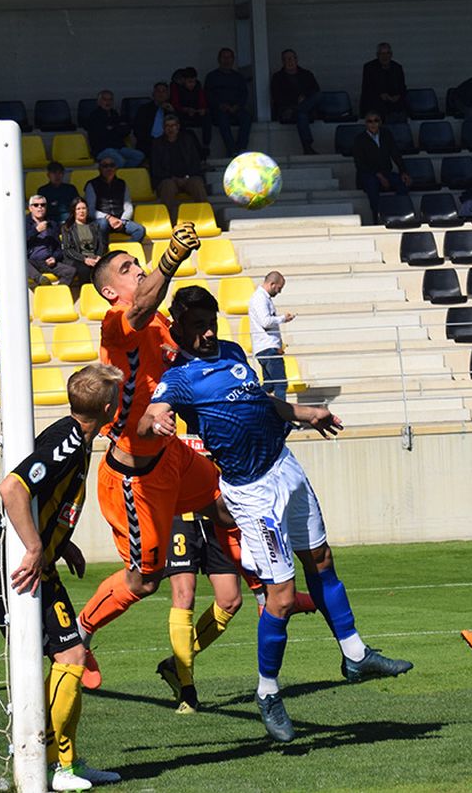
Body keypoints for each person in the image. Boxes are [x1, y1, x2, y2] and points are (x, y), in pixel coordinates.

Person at [144, 287, 411, 741]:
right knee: (281, 599)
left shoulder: (231, 352)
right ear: (178, 329)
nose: (208, 333)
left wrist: (306, 413)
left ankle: (355, 653)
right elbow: (155, 409)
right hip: (251, 493)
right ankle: (268, 692)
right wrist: (158, 420)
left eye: (211, 322)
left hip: (285, 467)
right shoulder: (180, 377)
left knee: (321, 559)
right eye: (197, 326)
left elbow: (259, 401)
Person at [72, 223, 218, 690]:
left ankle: (260, 589)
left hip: (171, 453)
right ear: (110, 289)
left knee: (224, 498)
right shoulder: (117, 323)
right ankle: (79, 631)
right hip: (136, 479)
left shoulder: (157, 322)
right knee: (143, 581)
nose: (137, 270)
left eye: (138, 263)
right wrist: (170, 257)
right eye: (127, 267)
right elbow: (142, 304)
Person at [0, 365, 124, 791]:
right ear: (109, 407)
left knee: (70, 658)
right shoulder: (69, 441)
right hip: (12, 566)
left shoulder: (75, 436)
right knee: (69, 659)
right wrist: (36, 546)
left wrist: (59, 540)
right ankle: (54, 763)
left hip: (30, 562)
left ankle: (55, 758)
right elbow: (12, 489)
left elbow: (43, 497)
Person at [153, 509, 247, 714]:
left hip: (218, 515)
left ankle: (175, 664)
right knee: (184, 596)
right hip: (179, 517)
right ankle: (188, 692)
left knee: (230, 601)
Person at [350, 111, 410, 222]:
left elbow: (395, 154)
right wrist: (379, 176)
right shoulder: (359, 139)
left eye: (376, 120)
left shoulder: (386, 135)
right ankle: (378, 219)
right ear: (366, 124)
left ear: (380, 122)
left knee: (402, 183)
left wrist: (403, 171)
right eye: (370, 121)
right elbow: (360, 164)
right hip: (368, 175)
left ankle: (401, 214)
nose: (373, 124)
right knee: (372, 186)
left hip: (386, 172)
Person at [249, 270, 296, 401]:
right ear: (272, 283)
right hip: (267, 348)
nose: (279, 292)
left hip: (265, 347)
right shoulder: (260, 298)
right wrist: (282, 319)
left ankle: (253, 402)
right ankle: (281, 417)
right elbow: (265, 321)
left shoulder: (261, 298)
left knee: (269, 386)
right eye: (279, 288)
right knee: (280, 384)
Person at [270, 48, 322, 155]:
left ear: (296, 59)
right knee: (301, 115)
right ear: (282, 62)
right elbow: (277, 96)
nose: (289, 61)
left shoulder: (306, 74)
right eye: (286, 59)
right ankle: (307, 147)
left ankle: (296, 110)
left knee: (316, 98)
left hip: (303, 109)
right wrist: (295, 101)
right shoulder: (277, 77)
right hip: (286, 110)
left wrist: (304, 97)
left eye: (291, 58)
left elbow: (315, 90)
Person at [150, 115, 208, 206]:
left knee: (197, 184)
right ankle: (170, 219)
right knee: (168, 187)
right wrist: (173, 178)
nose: (171, 129)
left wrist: (187, 177)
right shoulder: (157, 144)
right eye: (167, 126)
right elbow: (156, 168)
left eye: (173, 125)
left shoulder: (188, 140)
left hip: (188, 178)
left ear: (178, 127)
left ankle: (204, 216)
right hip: (168, 179)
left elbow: (195, 162)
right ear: (164, 128)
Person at [84, 158, 146, 243]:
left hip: (120, 220)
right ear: (100, 169)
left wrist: (122, 221)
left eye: (112, 165)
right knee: (103, 224)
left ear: (116, 168)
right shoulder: (91, 185)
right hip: (101, 221)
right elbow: (90, 210)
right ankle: (103, 252)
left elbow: (128, 206)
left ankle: (125, 253)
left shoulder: (122, 183)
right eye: (105, 166)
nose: (109, 168)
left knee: (140, 230)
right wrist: (108, 218)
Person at [205, 47, 252, 155]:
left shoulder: (238, 77)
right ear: (219, 59)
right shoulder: (212, 76)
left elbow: (244, 94)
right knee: (222, 119)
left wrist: (237, 106)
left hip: (236, 109)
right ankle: (232, 150)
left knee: (247, 118)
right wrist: (220, 105)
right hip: (219, 110)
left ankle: (241, 148)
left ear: (233, 59)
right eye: (224, 57)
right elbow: (208, 94)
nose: (227, 60)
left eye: (229, 57)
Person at [84, 89, 144, 168]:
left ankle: (124, 172)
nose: (108, 102)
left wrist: (113, 128)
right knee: (120, 160)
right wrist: (117, 128)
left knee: (139, 156)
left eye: (110, 99)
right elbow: (102, 135)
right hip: (103, 150)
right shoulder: (94, 116)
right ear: (98, 102)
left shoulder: (115, 114)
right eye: (105, 99)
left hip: (119, 148)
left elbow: (126, 130)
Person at [26, 196, 75, 288]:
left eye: (42, 205)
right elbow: (18, 244)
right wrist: (36, 230)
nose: (40, 207)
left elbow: (58, 247)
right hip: (30, 261)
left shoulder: (52, 224)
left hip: (46, 261)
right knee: (20, 261)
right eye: (36, 205)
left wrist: (54, 257)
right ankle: (40, 279)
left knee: (70, 271)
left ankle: (57, 292)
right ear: (30, 208)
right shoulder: (23, 223)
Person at [60, 199, 109, 290]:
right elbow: (68, 249)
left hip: (94, 257)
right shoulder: (67, 228)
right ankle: (87, 295)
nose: (81, 211)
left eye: (84, 208)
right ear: (73, 211)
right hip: (77, 259)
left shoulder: (94, 225)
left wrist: (99, 256)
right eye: (78, 209)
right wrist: (84, 259)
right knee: (85, 269)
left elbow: (102, 244)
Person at [359, 41, 407, 120]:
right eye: (382, 54)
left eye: (387, 53)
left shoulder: (397, 68)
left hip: (394, 106)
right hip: (375, 105)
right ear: (377, 55)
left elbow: (402, 87)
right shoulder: (369, 68)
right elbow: (366, 89)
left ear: (391, 55)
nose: (385, 56)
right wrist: (380, 95)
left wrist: (398, 96)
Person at [170, 67, 212, 149]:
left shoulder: (198, 86)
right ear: (183, 80)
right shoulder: (175, 87)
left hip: (195, 113)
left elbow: (202, 101)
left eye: (194, 82)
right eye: (189, 82)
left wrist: (202, 109)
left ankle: (206, 144)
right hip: (181, 114)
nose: (192, 84)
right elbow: (175, 104)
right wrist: (185, 109)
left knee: (207, 117)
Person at [131, 82, 174, 155]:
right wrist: (153, 141)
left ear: (168, 95)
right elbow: (138, 130)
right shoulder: (144, 109)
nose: (161, 94)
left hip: (168, 143)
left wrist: (173, 112)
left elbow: (179, 128)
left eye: (163, 91)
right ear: (153, 94)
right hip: (149, 143)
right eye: (158, 91)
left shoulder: (172, 110)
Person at [36, 162, 81, 227]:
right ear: (48, 175)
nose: (57, 176)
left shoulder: (70, 189)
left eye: (60, 173)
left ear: (63, 174)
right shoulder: (43, 191)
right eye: (54, 173)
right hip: (50, 222)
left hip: (69, 221)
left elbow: (77, 206)